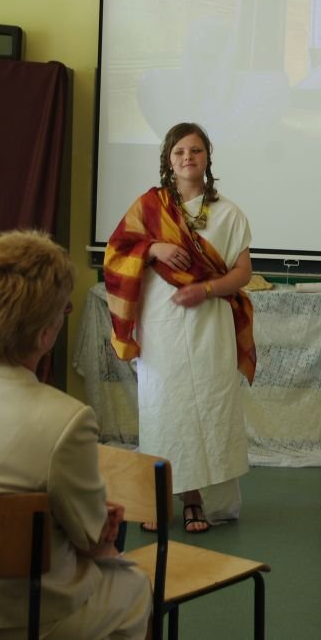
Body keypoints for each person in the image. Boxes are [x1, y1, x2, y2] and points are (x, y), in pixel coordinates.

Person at [0, 230, 151, 639]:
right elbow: (91, 540)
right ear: (45, 334)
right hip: (26, 616)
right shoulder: (67, 419)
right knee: (134, 585)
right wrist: (99, 527)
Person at [104, 122, 255, 534]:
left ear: (207, 158)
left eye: (196, 150)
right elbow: (116, 252)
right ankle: (156, 498)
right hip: (161, 323)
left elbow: (242, 273)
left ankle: (193, 499)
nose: (188, 157)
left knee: (205, 406)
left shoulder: (228, 213)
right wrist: (154, 247)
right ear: (168, 161)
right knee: (163, 407)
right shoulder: (148, 207)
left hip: (210, 323)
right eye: (179, 152)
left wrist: (205, 290)